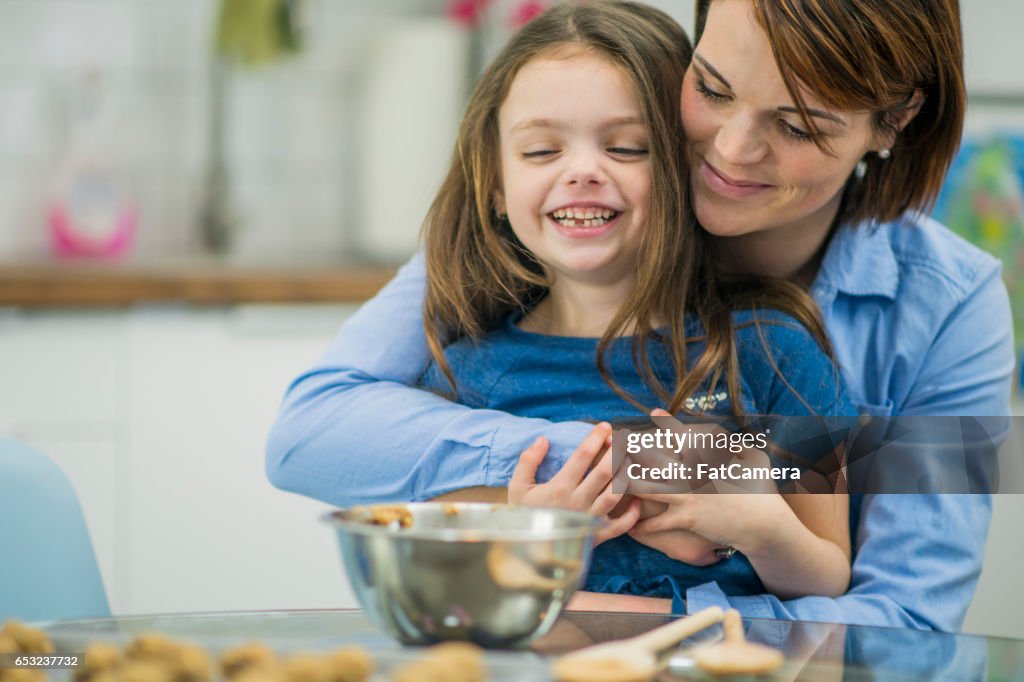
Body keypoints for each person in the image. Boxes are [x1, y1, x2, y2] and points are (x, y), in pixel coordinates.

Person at [266, 0, 1015, 631]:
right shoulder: (542, 227)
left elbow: (908, 622)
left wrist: (632, 621)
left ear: (894, 120)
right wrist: (626, 464)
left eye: (797, 125)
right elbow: (309, 434)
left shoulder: (946, 307)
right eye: (714, 88)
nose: (730, 149)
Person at [408, 0, 854, 606]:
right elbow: (439, 595)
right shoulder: (465, 375)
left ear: (682, 169)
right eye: (541, 151)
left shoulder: (774, 352)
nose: (583, 171)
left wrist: (761, 526)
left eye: (626, 148)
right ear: (493, 183)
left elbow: (829, 578)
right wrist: (531, 536)